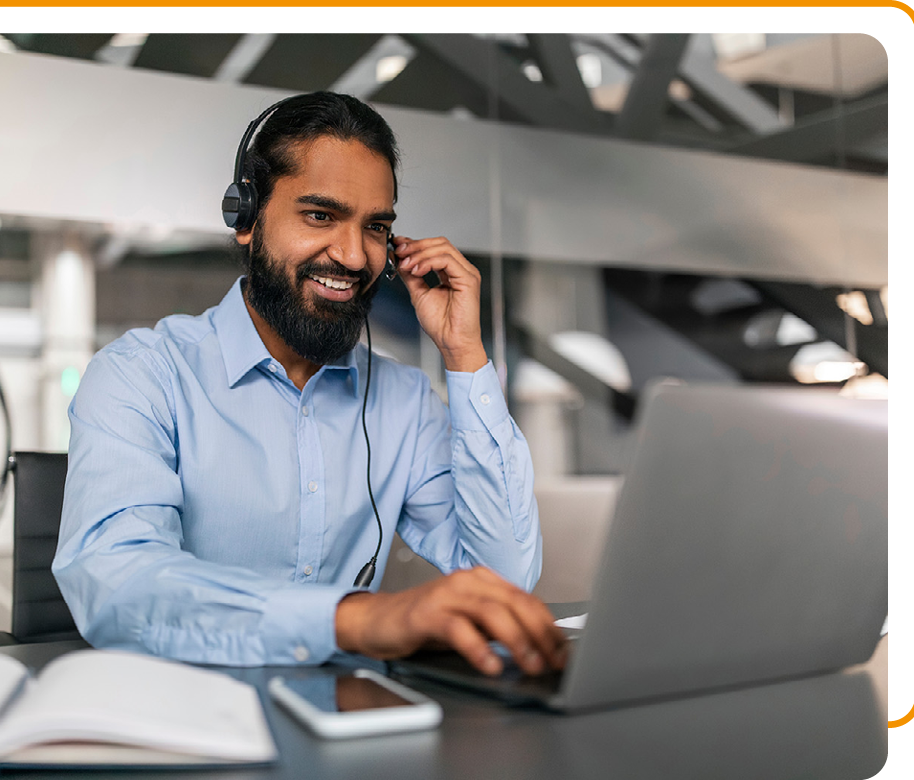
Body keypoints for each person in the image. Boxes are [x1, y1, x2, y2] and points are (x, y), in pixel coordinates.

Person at [53, 92, 567, 677]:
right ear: (247, 220)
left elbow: (504, 579)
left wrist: (464, 354)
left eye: (375, 227)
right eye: (320, 216)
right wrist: (352, 621)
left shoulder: (402, 401)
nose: (352, 255)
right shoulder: (142, 376)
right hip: (185, 722)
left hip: (343, 724)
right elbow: (117, 585)